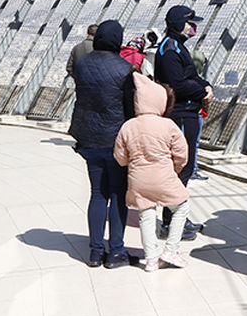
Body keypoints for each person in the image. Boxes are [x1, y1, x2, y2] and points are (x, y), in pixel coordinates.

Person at [70, 19, 135, 269]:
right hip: (115, 140)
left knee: (97, 193)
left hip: (88, 138)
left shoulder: (82, 65)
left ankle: (96, 252)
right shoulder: (124, 68)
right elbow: (130, 107)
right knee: (118, 193)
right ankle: (116, 250)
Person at [114, 74, 190, 271]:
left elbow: (120, 157)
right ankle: (171, 249)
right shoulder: (168, 125)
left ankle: (150, 259)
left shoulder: (128, 126)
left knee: (145, 216)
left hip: (138, 179)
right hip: (163, 176)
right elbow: (182, 154)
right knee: (181, 207)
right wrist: (175, 169)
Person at [153, 5, 212, 239]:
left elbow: (191, 76)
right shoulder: (170, 49)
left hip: (188, 109)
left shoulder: (178, 47)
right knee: (182, 167)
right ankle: (171, 220)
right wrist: (201, 92)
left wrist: (205, 85)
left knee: (183, 167)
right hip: (181, 112)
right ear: (178, 24)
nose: (192, 27)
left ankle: (176, 216)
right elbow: (177, 84)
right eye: (189, 23)